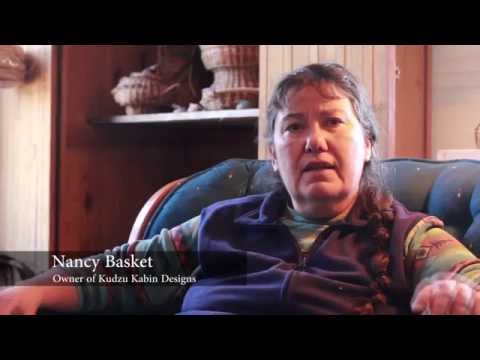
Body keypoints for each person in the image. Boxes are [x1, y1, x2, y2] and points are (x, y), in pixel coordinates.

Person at [1, 63, 480, 315]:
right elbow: (123, 271)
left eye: (334, 121)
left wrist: (454, 292)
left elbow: (466, 279)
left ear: (368, 144)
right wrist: (29, 292)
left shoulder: (407, 236)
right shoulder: (220, 223)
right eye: (293, 127)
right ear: (273, 153)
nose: (314, 140)